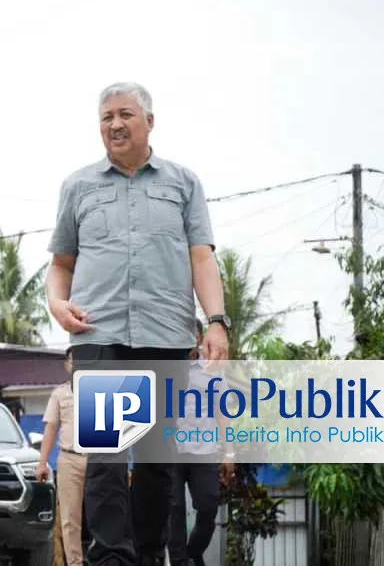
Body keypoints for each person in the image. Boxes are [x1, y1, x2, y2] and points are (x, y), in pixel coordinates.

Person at [45, 81, 230, 566]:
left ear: (150, 121)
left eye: (125, 114)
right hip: (98, 335)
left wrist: (215, 322)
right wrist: (55, 303)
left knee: (154, 466)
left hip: (165, 337)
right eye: (106, 117)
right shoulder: (79, 186)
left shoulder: (183, 184)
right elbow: (61, 263)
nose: (115, 124)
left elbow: (202, 258)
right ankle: (110, 559)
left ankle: (147, 557)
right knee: (105, 462)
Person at [166, 319, 235, 566]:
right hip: (171, 451)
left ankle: (194, 549)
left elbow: (222, 413)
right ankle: (179, 561)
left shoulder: (212, 370)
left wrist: (229, 454)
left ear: (198, 338)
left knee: (208, 505)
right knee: (172, 510)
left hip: (203, 451)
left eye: (191, 332)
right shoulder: (164, 369)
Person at [36, 348, 86, 566]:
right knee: (69, 518)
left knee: (103, 513)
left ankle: (102, 558)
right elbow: (51, 429)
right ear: (67, 365)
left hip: (99, 461)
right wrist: (41, 463)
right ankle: (75, 562)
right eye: (73, 360)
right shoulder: (59, 394)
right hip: (69, 460)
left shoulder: (105, 391)